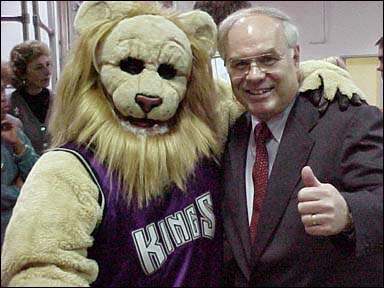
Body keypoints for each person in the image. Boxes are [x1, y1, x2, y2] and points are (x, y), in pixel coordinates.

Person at [218, 6, 383, 287]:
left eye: (268, 59)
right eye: (240, 64)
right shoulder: (228, 134)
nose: (254, 75)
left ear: (295, 57)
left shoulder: (351, 120)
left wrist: (350, 213)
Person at [1, 61, 39, 250]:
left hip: (20, 233)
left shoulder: (11, 125)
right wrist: (22, 191)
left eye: (2, 90)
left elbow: (38, 176)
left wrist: (18, 146)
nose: (2, 98)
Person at [9, 40, 54, 155]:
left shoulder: (60, 101)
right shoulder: (10, 105)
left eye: (48, 65)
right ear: (23, 73)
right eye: (39, 68)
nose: (47, 72)